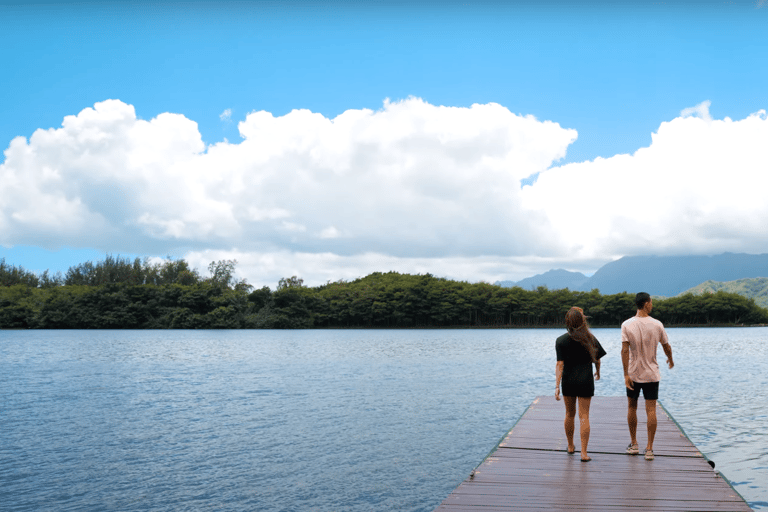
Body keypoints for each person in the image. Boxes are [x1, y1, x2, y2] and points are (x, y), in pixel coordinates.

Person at [621, 292, 674, 461]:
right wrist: (670, 359)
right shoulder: (657, 324)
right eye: (651, 302)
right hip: (652, 374)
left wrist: (625, 374)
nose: (652, 305)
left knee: (632, 407)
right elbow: (666, 346)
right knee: (651, 409)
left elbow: (624, 350)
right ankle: (649, 449)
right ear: (645, 304)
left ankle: (634, 444)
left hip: (633, 373)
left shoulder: (627, 324)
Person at [555, 306, 607, 462]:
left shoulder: (561, 340)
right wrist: (598, 371)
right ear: (582, 320)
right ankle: (584, 453)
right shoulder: (590, 338)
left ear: (568, 322)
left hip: (568, 381)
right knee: (584, 416)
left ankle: (571, 446)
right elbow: (597, 358)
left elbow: (560, 365)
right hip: (585, 380)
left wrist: (557, 385)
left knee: (569, 414)